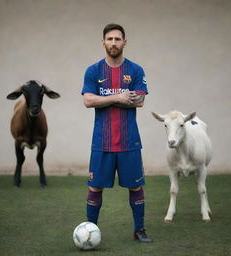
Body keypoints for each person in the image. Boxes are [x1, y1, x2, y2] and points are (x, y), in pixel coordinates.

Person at [81, 23, 152, 243]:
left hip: (129, 141)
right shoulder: (93, 71)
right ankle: (90, 229)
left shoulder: (135, 70)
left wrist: (111, 100)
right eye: (109, 39)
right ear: (103, 42)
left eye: (117, 39)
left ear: (124, 42)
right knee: (95, 186)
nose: (113, 43)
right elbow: (88, 100)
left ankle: (139, 229)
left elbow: (139, 101)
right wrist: (118, 98)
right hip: (102, 141)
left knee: (135, 185)